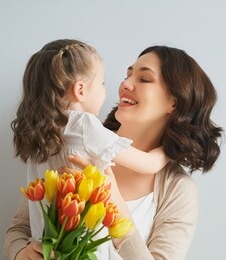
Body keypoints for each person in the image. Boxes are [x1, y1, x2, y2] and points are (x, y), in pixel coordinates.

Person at [4, 44, 224, 260]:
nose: (125, 84)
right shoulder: (77, 143)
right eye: (127, 75)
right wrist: (20, 253)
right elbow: (20, 228)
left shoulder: (178, 190)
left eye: (144, 79)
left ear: (174, 104)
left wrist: (119, 215)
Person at [10, 39, 169, 245]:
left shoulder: (41, 132)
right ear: (81, 90)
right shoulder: (85, 126)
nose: (109, 90)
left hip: (44, 246)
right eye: (102, 83)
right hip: (81, 249)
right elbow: (149, 164)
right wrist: (170, 150)